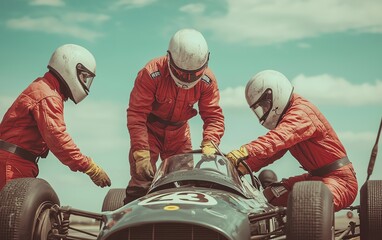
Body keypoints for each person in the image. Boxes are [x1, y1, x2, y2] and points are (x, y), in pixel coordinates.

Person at [226, 70, 357, 211]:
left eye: (264, 105)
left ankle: (305, 227)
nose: (263, 110)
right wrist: (241, 168)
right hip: (315, 179)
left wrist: (245, 151)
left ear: (275, 95)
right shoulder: (288, 118)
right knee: (270, 195)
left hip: (340, 181)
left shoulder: (301, 112)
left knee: (312, 202)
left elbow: (278, 139)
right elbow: (271, 152)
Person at [124, 28, 225, 204]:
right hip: (149, 131)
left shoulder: (208, 81)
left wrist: (211, 141)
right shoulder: (151, 73)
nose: (187, 79)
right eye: (181, 73)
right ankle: (133, 222)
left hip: (179, 133)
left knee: (184, 184)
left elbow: (213, 116)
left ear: (205, 63)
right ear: (169, 58)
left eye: (193, 74)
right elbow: (137, 114)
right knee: (142, 180)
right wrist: (141, 152)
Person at [0, 44, 111, 190]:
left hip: (14, 161)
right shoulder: (48, 95)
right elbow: (57, 138)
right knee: (12, 212)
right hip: (13, 164)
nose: (84, 83)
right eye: (84, 77)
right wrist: (89, 167)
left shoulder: (45, 88)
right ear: (71, 67)